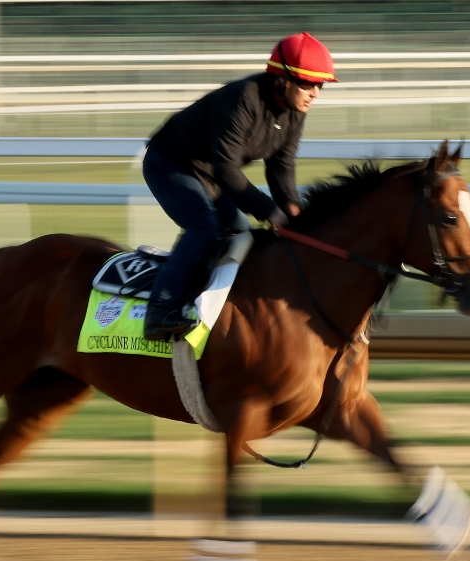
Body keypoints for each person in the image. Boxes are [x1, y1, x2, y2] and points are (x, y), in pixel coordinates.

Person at [141, 32, 337, 341]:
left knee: (240, 234)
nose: (315, 93)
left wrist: (294, 214)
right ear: (282, 80)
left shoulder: (294, 112)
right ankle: (160, 310)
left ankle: (213, 308)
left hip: (209, 175)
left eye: (320, 85)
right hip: (170, 164)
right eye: (306, 84)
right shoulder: (243, 97)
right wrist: (271, 212)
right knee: (204, 228)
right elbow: (227, 170)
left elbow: (281, 168)